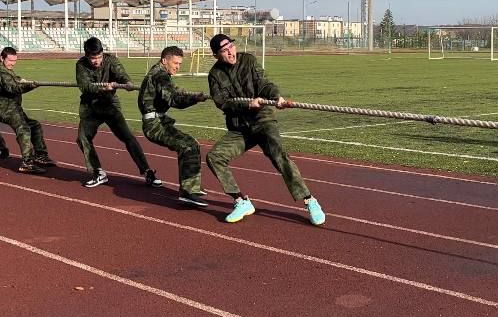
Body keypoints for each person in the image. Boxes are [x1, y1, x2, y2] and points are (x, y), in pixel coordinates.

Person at [204, 33, 325, 225]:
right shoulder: (215, 75)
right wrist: (247, 105)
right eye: (224, 50)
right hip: (240, 128)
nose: (230, 52)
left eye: (231, 47)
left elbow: (264, 83)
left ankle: (310, 200)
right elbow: (222, 102)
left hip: (263, 120)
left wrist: (277, 97)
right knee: (214, 157)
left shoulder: (248, 60)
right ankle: (241, 201)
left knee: (279, 156)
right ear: (216, 55)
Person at [75, 36, 160, 188]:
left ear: (103, 53)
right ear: (87, 55)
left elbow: (121, 74)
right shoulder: (81, 65)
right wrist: (103, 87)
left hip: (109, 104)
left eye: (99, 57)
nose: (96, 61)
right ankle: (98, 173)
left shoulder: (111, 60)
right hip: (90, 106)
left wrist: (126, 83)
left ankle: (147, 172)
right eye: (93, 58)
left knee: (128, 137)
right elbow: (85, 86)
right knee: (82, 138)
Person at [139, 46, 209, 207]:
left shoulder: (159, 73)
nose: (178, 67)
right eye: (175, 63)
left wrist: (194, 95)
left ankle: (193, 185)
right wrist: (195, 100)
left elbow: (175, 91)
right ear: (164, 61)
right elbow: (174, 100)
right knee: (187, 146)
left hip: (160, 121)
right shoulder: (160, 76)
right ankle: (187, 192)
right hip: (154, 124)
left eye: (180, 64)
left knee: (192, 143)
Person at [0, 46, 57, 173]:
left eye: (15, 61)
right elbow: (12, 88)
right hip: (6, 109)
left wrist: (25, 82)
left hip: (15, 108)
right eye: (10, 60)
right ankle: (27, 162)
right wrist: (30, 86)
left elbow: (15, 81)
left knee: (34, 125)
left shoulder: (6, 70)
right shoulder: (0, 71)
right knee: (24, 129)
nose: (12, 63)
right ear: (2, 58)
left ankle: (40, 155)